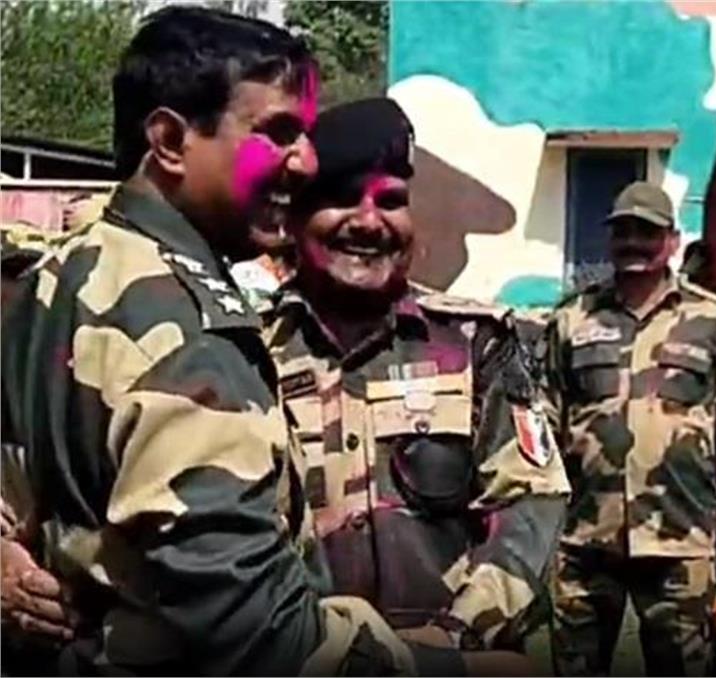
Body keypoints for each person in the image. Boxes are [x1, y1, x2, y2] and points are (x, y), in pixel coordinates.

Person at [0, 8, 448, 675]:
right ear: (170, 141)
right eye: (279, 133)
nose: (307, 162)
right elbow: (254, 632)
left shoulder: (62, 277)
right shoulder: (184, 332)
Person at [262, 97, 571, 666]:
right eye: (342, 198)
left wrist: (452, 636)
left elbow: (532, 501)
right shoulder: (247, 351)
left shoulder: (476, 343)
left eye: (391, 201)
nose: (368, 221)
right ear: (296, 217)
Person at [541, 181, 716, 676]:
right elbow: (545, 429)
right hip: (585, 539)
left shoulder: (712, 317)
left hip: (680, 535)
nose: (634, 243)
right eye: (623, 232)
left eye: (647, 232)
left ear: (672, 240)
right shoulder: (572, 318)